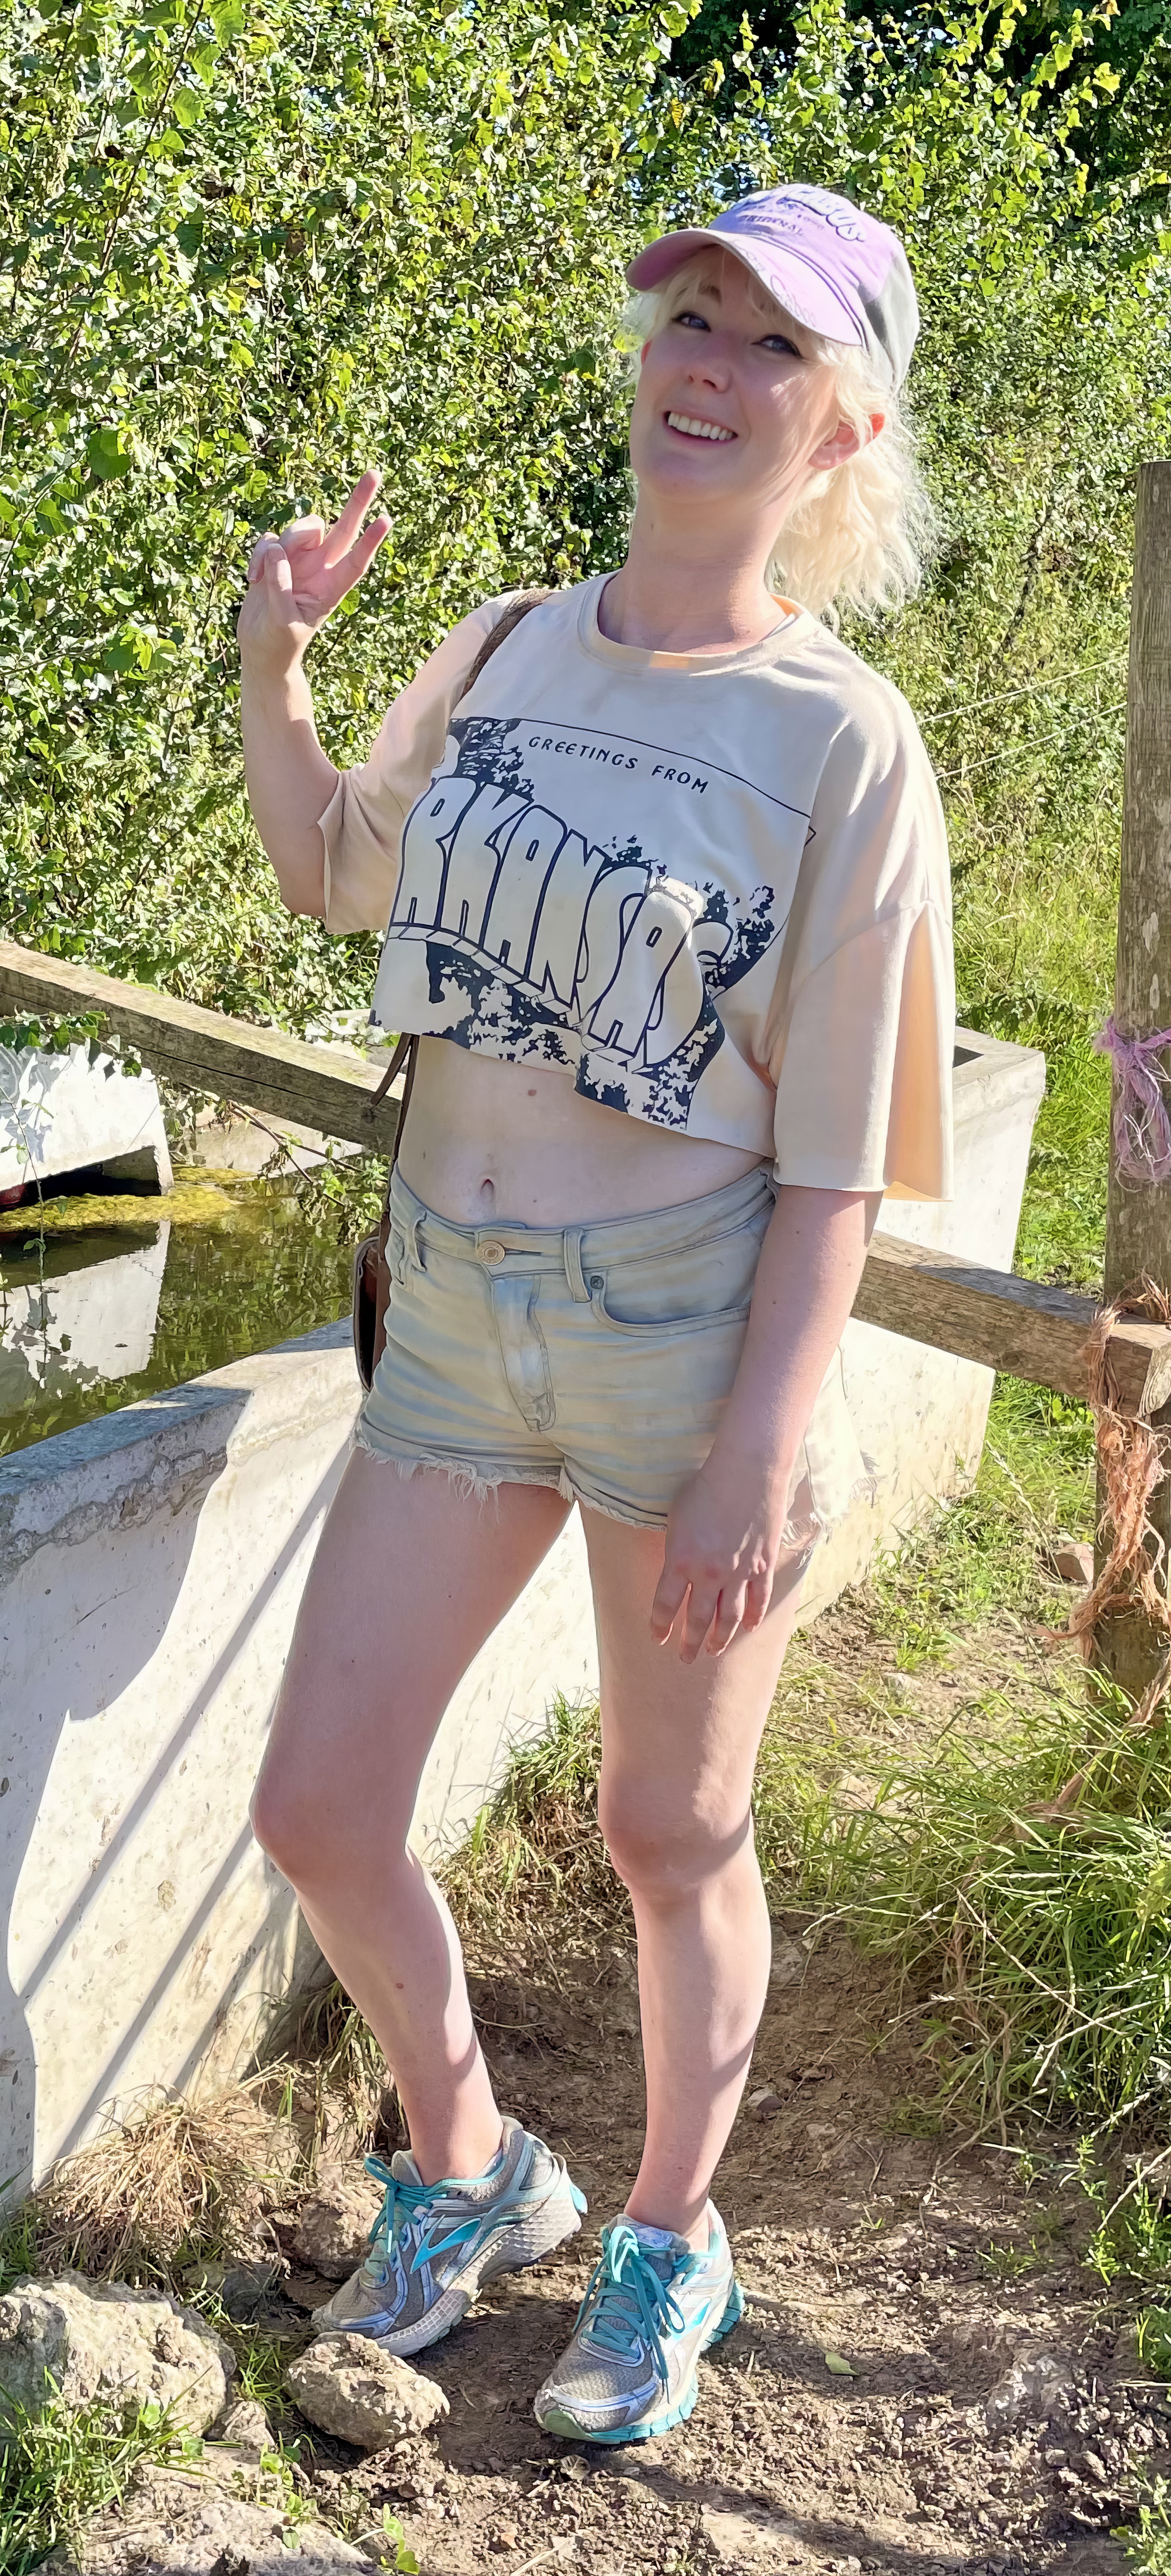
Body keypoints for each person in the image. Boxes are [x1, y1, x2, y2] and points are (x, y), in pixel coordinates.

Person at [238, 183, 954, 2447]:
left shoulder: (848, 747)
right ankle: (471, 2169)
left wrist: (763, 1438)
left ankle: (669, 2238)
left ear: (839, 428)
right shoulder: (515, 633)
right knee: (321, 1802)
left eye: (766, 344)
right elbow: (331, 871)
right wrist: (274, 666)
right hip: (450, 1312)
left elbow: (837, 1150)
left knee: (673, 1836)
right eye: (689, 313)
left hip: (681, 1332)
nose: (708, 363)